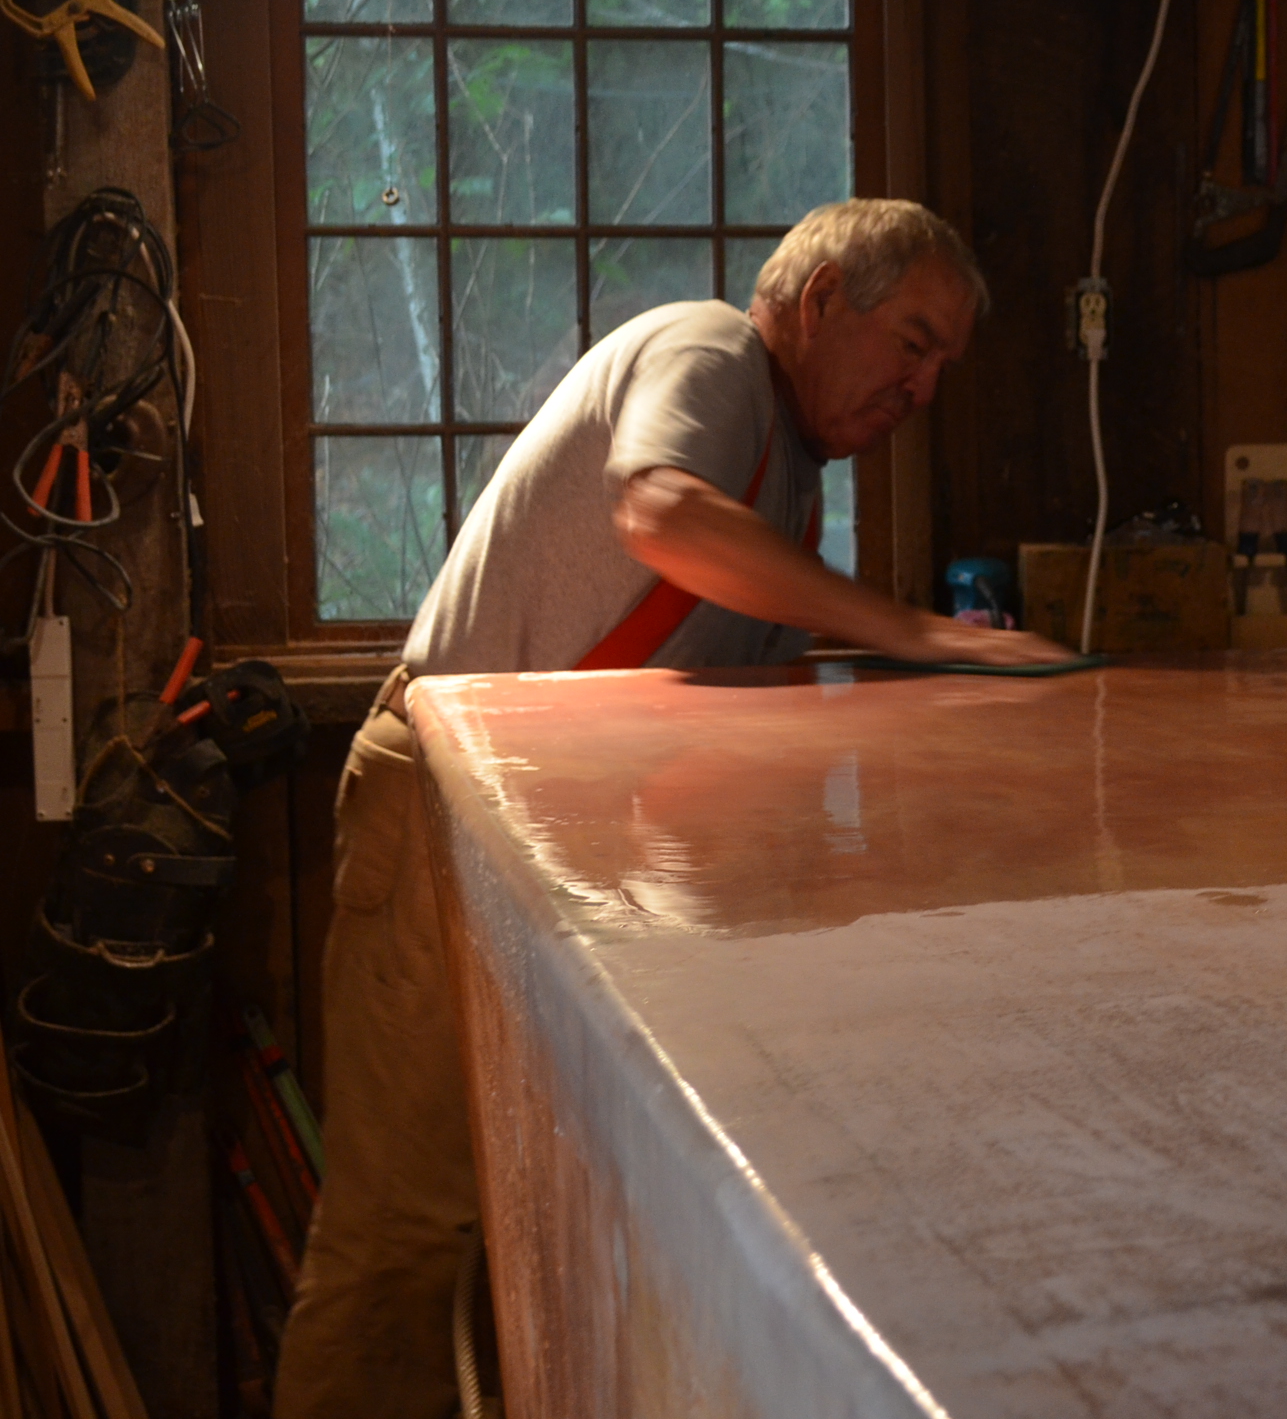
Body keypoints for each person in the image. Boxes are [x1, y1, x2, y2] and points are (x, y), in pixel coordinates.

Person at [274, 199, 1070, 1419]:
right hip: (441, 809)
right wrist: (915, 631)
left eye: (942, 366)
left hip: (552, 839)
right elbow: (660, 510)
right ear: (821, 302)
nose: (923, 388)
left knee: (554, 1225)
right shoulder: (713, 351)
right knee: (402, 1236)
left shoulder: (791, 483)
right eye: (912, 344)